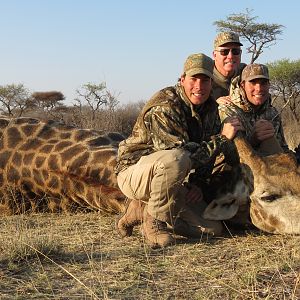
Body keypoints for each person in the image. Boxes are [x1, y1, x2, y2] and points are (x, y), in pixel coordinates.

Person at [115, 53, 241, 248]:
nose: (199, 86)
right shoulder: (164, 105)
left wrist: (197, 184)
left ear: (211, 83)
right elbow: (181, 154)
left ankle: (139, 211)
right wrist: (223, 138)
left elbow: (207, 154)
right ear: (182, 80)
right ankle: (153, 223)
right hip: (135, 173)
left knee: (212, 229)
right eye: (194, 79)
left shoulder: (209, 109)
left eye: (205, 80)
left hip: (171, 178)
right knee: (176, 159)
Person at [218, 63, 290, 155]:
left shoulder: (272, 113)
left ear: (269, 85)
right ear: (242, 85)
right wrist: (252, 140)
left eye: (263, 83)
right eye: (253, 82)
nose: (259, 88)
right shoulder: (227, 110)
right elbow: (220, 156)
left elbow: (283, 148)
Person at [212, 31, 246, 100]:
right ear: (214, 55)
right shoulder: (205, 75)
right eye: (224, 52)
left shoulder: (245, 73)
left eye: (235, 51)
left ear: (240, 53)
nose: (230, 56)